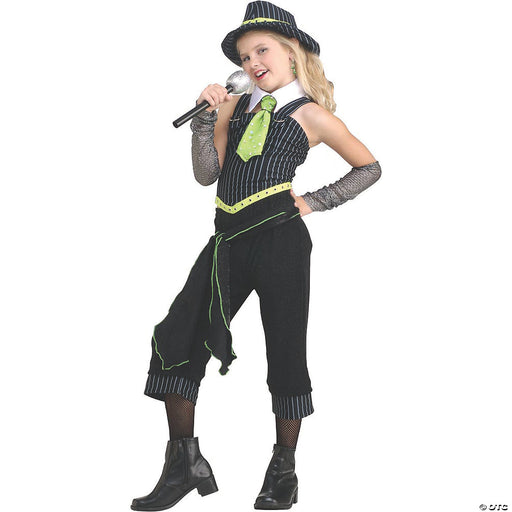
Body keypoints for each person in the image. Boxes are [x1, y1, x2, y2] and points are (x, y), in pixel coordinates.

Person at [131, 2, 382, 510]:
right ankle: (184, 464)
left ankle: (283, 471)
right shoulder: (235, 106)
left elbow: (369, 168)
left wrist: (313, 201)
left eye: (261, 50)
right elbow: (207, 174)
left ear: (291, 52)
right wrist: (206, 121)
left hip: (280, 242)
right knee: (178, 336)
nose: (252, 63)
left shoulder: (311, 115)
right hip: (227, 240)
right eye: (245, 57)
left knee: (285, 350)